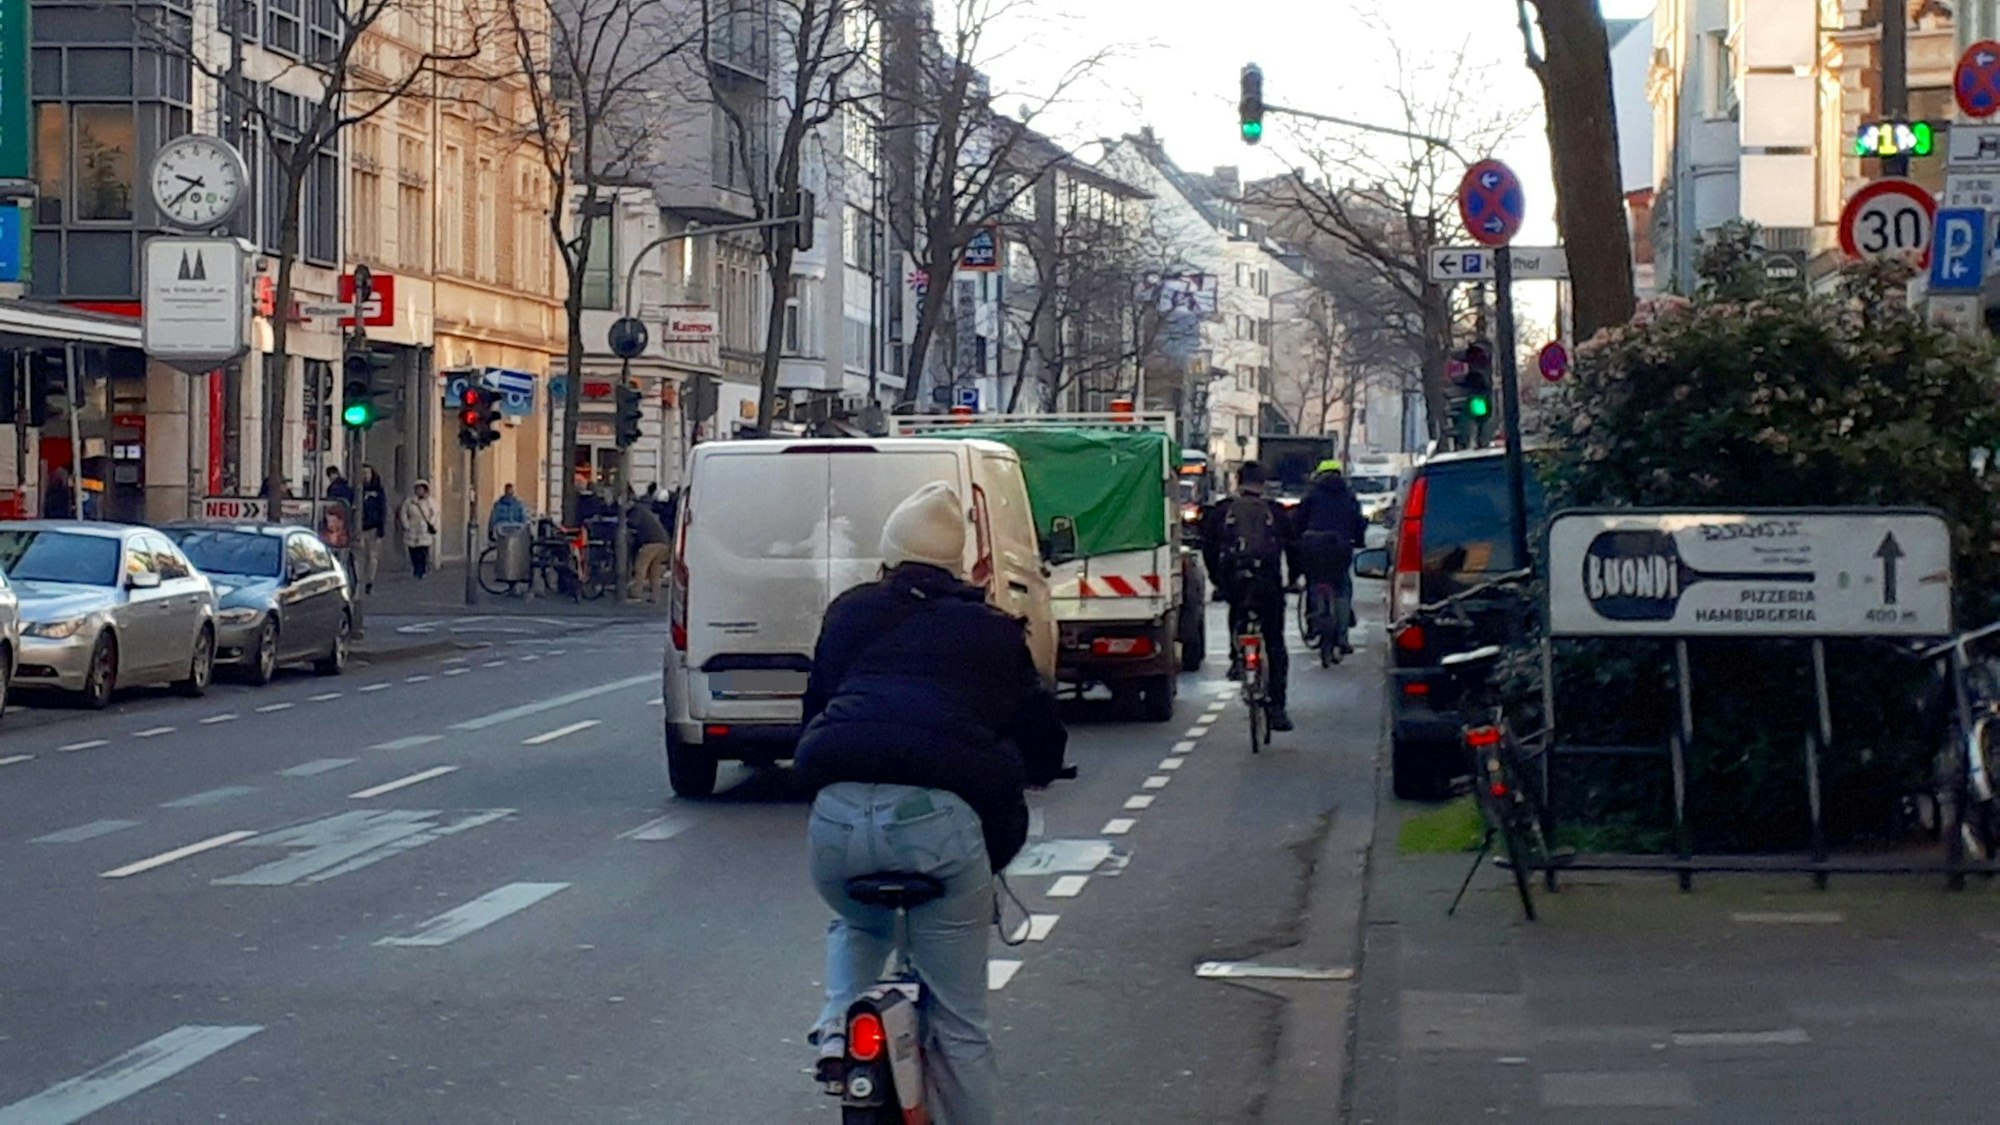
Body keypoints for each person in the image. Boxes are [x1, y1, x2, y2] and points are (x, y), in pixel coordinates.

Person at [794, 481, 1068, 1125]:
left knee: (858, 920)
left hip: (836, 818)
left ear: (888, 556)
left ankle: (837, 1028)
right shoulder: (990, 630)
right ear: (958, 564)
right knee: (961, 1024)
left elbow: (816, 707)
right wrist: (1033, 767)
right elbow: (1039, 732)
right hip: (936, 825)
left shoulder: (849, 614)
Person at [1201, 461, 1301, 731]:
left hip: (1235, 583)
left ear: (1238, 481)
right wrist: (1293, 579)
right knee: (1275, 642)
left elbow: (1208, 549)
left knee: (1237, 610)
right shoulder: (1276, 511)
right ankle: (1277, 709)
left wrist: (1217, 581)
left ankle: (1236, 657)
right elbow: (1294, 548)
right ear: (1263, 483)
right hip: (1268, 584)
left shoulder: (1223, 511)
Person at [1293, 458, 1367, 657]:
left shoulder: (1311, 494)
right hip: (1340, 547)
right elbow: (1358, 522)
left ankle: (1313, 624)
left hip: (1314, 546)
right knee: (1342, 587)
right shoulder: (1349, 495)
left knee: (1313, 582)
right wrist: (1359, 540)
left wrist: (1298, 538)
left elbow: (1299, 520)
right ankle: (1342, 636)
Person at [626, 499, 672, 602]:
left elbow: (632, 524)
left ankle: (636, 593)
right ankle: (655, 596)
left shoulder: (637, 511)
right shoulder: (647, 512)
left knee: (640, 567)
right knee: (654, 571)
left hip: (651, 543)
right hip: (664, 543)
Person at [357, 465, 389, 594]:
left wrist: (381, 527)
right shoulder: (357, 490)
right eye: (362, 473)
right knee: (359, 555)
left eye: (367, 473)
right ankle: (359, 581)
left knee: (371, 556)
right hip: (359, 527)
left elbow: (383, 509)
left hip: (373, 527)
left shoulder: (378, 490)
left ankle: (369, 581)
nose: (364, 476)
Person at [400, 480, 439, 579]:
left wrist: (431, 523)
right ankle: (416, 568)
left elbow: (435, 513)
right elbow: (403, 513)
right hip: (412, 528)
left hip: (424, 529)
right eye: (417, 489)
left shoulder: (430, 501)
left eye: (421, 489)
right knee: (413, 551)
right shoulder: (409, 501)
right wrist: (406, 524)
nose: (419, 491)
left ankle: (422, 570)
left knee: (423, 551)